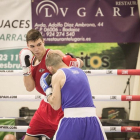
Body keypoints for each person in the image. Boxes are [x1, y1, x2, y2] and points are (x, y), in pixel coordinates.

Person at [19, 29, 83, 140]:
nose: (37, 49)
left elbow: (76, 68)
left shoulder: (53, 55)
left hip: (62, 107)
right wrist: (26, 68)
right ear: (27, 46)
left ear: (43, 41)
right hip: (45, 107)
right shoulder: (30, 60)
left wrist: (75, 61)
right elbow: (29, 88)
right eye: (32, 46)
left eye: (39, 44)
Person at [40, 53, 107, 140]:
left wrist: (48, 91)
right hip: (92, 120)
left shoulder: (58, 75)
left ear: (50, 67)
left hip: (72, 121)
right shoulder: (81, 72)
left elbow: (55, 106)